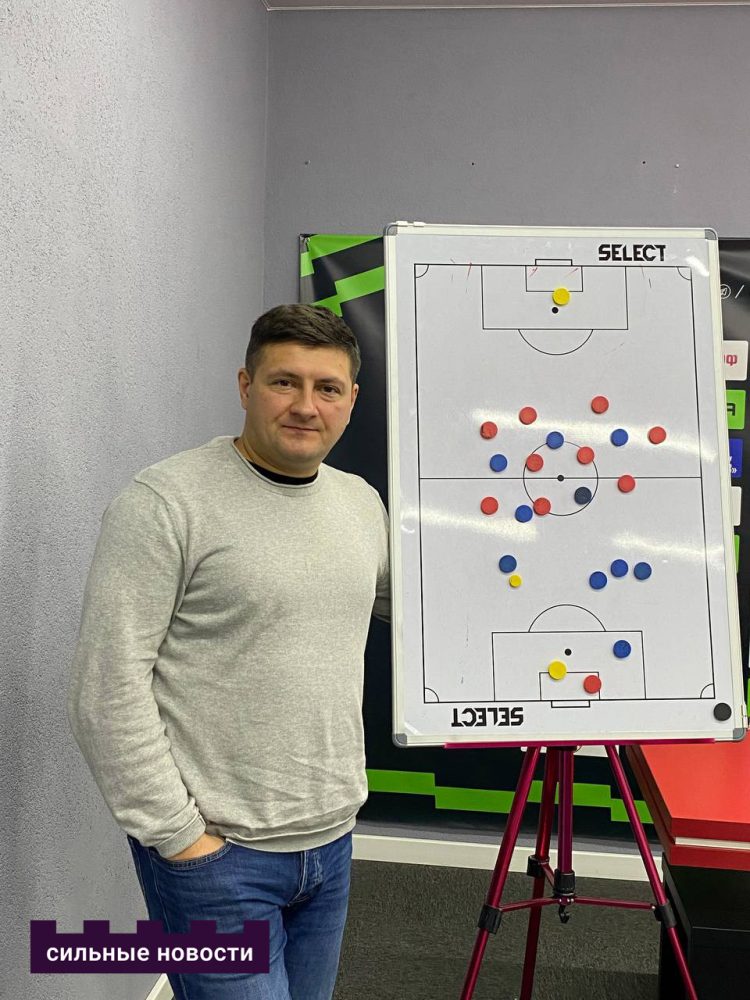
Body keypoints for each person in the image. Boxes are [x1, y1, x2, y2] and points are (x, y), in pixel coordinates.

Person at [67, 304, 391, 1000]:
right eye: (284, 382)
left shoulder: (362, 504)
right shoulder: (165, 502)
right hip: (217, 857)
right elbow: (106, 690)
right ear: (246, 386)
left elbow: (406, 608)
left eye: (327, 388)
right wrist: (180, 837)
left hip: (330, 840)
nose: (306, 406)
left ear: (351, 399)